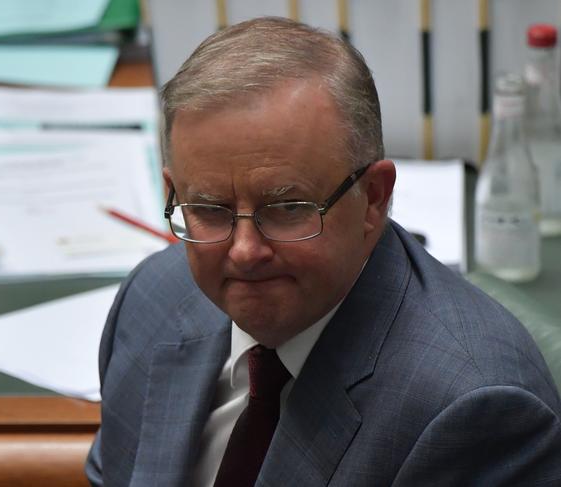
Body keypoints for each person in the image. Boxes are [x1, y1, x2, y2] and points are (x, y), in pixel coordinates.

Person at [86, 16, 561, 487]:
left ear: (374, 197)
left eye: (288, 208)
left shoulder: (475, 413)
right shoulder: (149, 303)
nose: (246, 252)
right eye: (210, 209)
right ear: (173, 191)